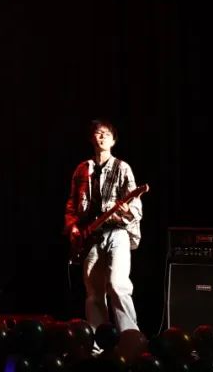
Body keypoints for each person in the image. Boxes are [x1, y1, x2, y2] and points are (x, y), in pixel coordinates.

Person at [64, 120, 143, 332]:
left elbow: (136, 204)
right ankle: (99, 341)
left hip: (117, 232)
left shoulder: (122, 167)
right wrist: (73, 227)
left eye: (106, 134)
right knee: (94, 293)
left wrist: (126, 211)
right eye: (98, 133)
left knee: (118, 285)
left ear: (113, 141)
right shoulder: (82, 169)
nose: (102, 137)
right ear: (92, 138)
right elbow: (71, 203)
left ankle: (130, 336)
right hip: (91, 236)